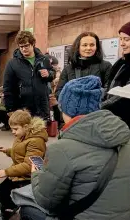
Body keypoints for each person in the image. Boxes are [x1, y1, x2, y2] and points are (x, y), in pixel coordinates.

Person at [14, 76, 130, 220]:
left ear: (64, 108)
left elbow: (46, 200)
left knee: (27, 208)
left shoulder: (61, 149)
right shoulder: (125, 136)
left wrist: (36, 172)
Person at [0, 109, 48, 219]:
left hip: (27, 177)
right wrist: (8, 151)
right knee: (0, 191)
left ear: (26, 127)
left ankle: (9, 209)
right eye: (11, 129)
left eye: (15, 129)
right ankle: (7, 207)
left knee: (6, 194)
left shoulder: (36, 141)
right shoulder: (22, 136)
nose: (13, 132)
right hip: (18, 173)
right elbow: (20, 152)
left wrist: (6, 172)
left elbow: (29, 165)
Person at [3, 31, 54, 121]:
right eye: (21, 46)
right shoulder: (12, 63)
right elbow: (8, 88)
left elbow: (52, 73)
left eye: (26, 46)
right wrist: (10, 109)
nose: (23, 49)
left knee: (40, 134)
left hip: (42, 106)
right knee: (24, 134)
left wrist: (49, 74)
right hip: (22, 107)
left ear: (33, 44)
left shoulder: (44, 59)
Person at [55, 32, 112, 98]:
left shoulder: (106, 66)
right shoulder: (69, 68)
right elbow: (59, 92)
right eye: (85, 45)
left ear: (96, 47)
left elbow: (109, 90)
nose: (88, 48)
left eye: (92, 45)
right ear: (78, 47)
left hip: (98, 107)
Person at [102, 22, 130, 127]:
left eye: (127, 40)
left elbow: (123, 95)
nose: (122, 43)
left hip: (124, 121)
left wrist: (101, 106)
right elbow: (109, 85)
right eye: (121, 39)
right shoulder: (121, 62)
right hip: (112, 117)